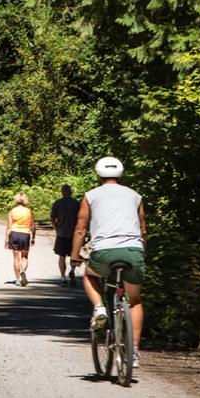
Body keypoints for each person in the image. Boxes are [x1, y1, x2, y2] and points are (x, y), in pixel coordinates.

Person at [70, 156, 146, 367]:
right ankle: (134, 352)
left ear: (98, 174)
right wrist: (140, 254)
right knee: (135, 301)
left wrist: (75, 256)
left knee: (89, 274)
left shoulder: (91, 196)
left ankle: (99, 308)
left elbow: (80, 228)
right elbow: (143, 230)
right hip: (133, 251)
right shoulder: (135, 196)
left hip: (104, 251)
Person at [49, 184, 81, 286]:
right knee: (73, 255)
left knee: (61, 257)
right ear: (71, 192)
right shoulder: (76, 204)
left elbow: (52, 218)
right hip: (74, 234)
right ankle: (72, 270)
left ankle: (63, 278)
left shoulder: (57, 203)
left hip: (61, 233)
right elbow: (81, 219)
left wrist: (56, 228)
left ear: (62, 192)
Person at [4, 192, 35, 286]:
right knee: (24, 257)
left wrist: (6, 240)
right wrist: (33, 238)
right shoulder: (29, 211)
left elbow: (9, 227)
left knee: (16, 258)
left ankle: (17, 279)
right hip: (25, 234)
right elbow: (33, 226)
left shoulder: (12, 211)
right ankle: (23, 272)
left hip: (14, 234)